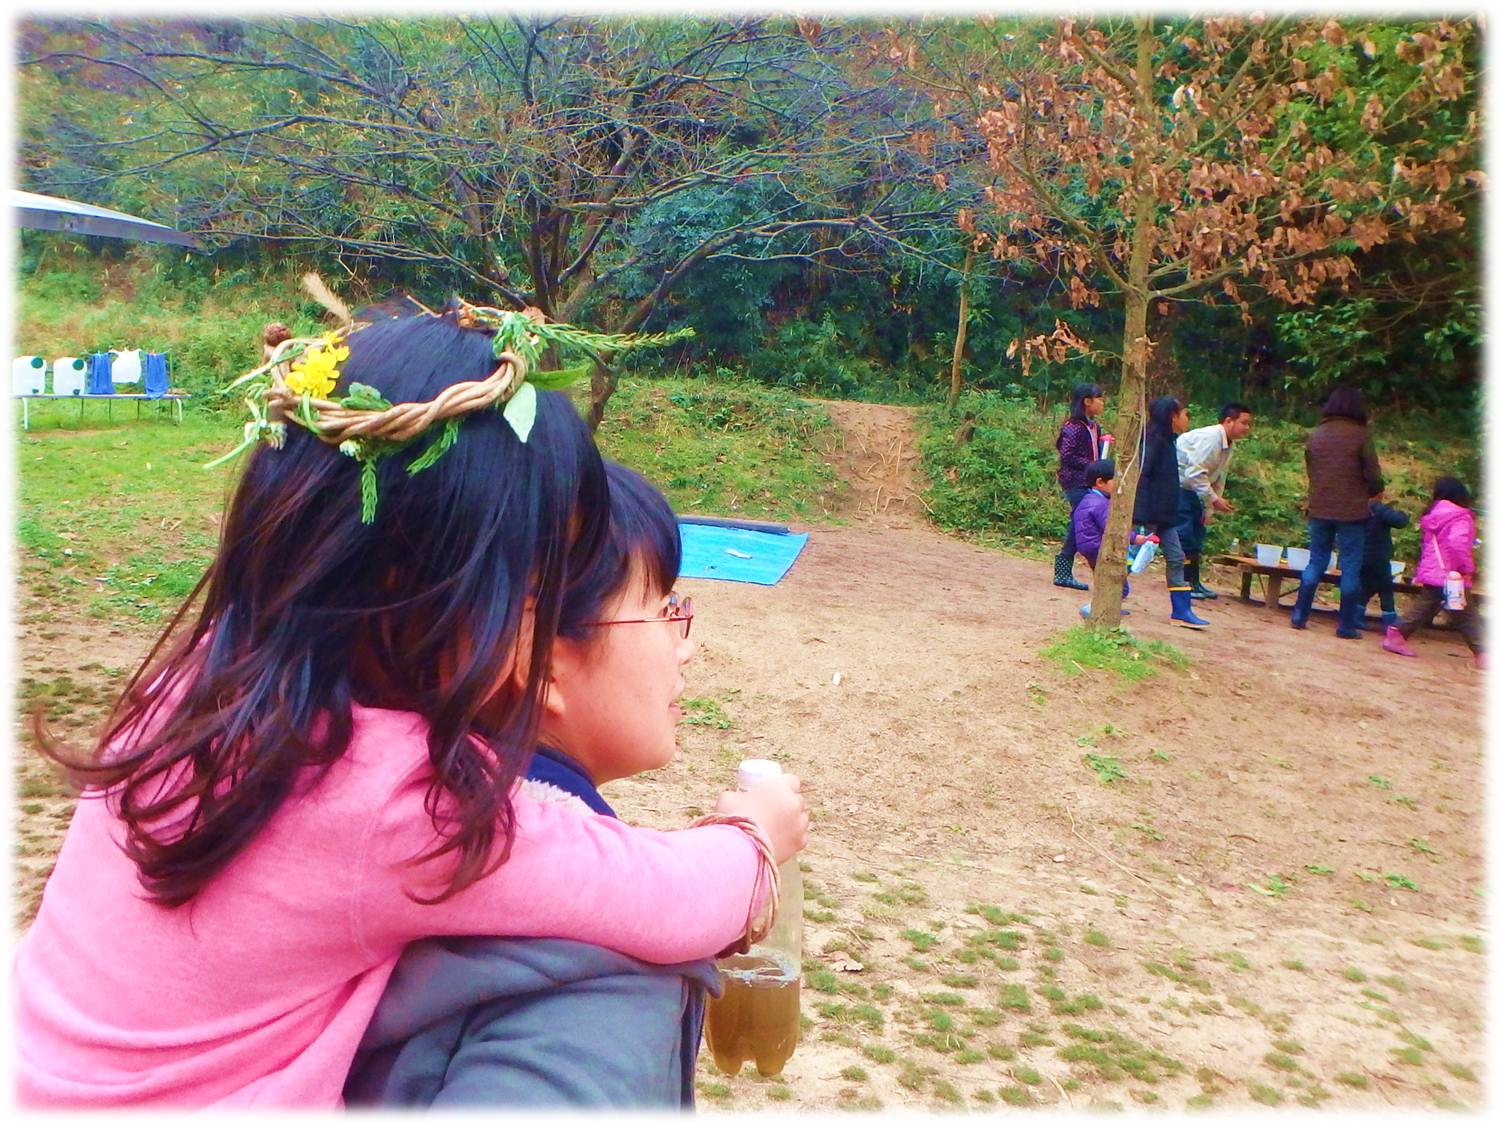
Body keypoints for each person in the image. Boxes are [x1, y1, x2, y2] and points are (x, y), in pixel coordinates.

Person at [14, 309, 809, 1108]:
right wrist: (757, 835)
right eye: (532, 583)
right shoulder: (391, 797)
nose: (537, 623)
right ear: (427, 586)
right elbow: (661, 897)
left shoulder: (190, 692)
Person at [347, 461, 720, 1107]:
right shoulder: (605, 966)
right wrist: (753, 847)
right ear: (541, 663)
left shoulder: (361, 815)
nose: (683, 645)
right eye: (663, 610)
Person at [1289, 386, 1383, 638]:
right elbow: (1373, 475)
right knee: (1351, 567)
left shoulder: (1316, 435)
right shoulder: (1361, 435)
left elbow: (1311, 470)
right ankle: (1346, 626)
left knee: (1316, 561)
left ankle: (1299, 615)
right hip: (1352, 512)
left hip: (1319, 508)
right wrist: (1374, 492)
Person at [1383, 476, 1484, 668]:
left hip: (1435, 571)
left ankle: (1397, 633)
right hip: (1452, 574)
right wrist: (1466, 567)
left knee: (1427, 606)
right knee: (1466, 614)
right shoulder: (1461, 517)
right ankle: (1484, 653)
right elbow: (1457, 544)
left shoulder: (1433, 514)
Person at [1135, 396, 1210, 630]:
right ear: (1172, 416)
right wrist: (1140, 515)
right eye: (1185, 414)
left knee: (1177, 557)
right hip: (1149, 514)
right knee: (1132, 559)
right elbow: (1142, 477)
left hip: (1166, 515)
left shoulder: (1170, 441)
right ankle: (1109, 600)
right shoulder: (1153, 441)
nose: (1187, 419)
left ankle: (1181, 610)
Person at [1175, 401, 1255, 600]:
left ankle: (1194, 582)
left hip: (1195, 491)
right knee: (1185, 536)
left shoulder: (1228, 444)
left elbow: (1218, 477)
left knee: (1197, 536)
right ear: (1229, 421)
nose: (1247, 428)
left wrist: (1211, 506)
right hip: (1180, 487)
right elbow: (1194, 474)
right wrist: (1213, 499)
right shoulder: (1211, 438)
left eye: (1249, 424)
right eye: (1244, 423)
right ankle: (1182, 582)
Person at [1070, 457, 1153, 619]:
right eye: (1115, 480)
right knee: (1118, 584)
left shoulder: (1088, 499)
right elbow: (1113, 528)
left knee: (1106, 580)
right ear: (1100, 482)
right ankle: (1095, 608)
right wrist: (1134, 538)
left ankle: (1106, 608)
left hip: (1088, 546)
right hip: (1099, 547)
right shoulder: (1101, 504)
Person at [1053, 382, 1110, 591]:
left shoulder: (1094, 426)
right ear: (1087, 401)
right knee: (1081, 524)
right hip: (1075, 481)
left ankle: (1064, 571)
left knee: (1080, 523)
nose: (1102, 403)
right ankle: (1063, 571)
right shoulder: (1073, 427)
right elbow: (1067, 455)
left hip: (1089, 481)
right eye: (1099, 399)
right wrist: (1092, 465)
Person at [1354, 494, 1410, 632]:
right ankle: (1389, 622)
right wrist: (1403, 513)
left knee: (1364, 587)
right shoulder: (1380, 509)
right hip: (1379, 557)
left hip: (1361, 555)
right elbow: (1400, 521)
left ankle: (1356, 616)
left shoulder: (1356, 508)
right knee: (1386, 589)